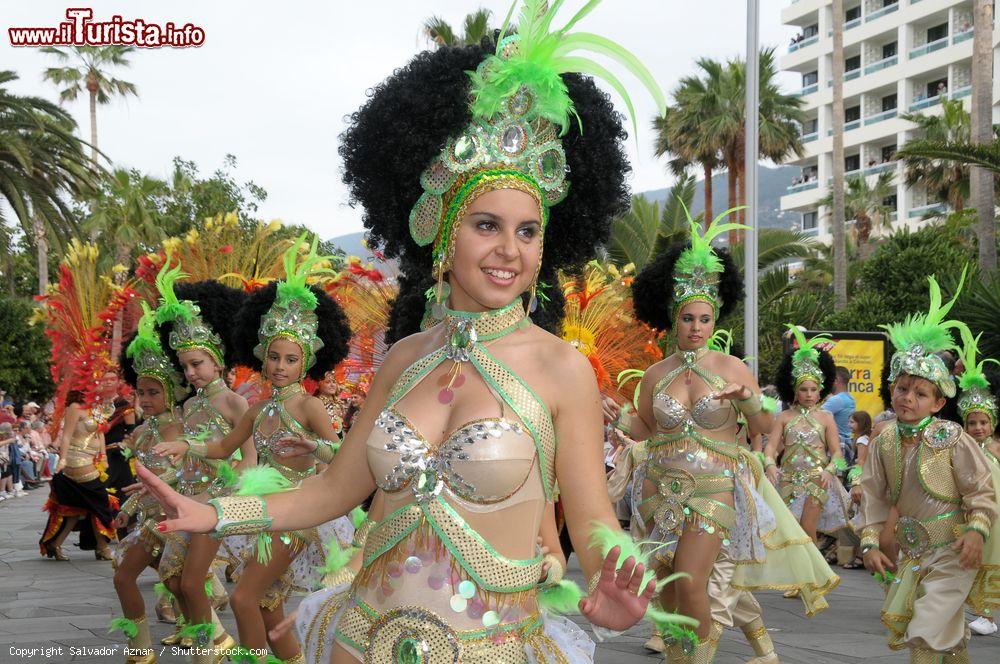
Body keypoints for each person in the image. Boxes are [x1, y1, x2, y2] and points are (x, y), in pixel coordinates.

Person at [139, 4, 678, 662]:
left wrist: (610, 574)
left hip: (493, 645)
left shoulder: (560, 367)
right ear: (443, 235)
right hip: (364, 638)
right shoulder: (404, 358)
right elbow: (334, 491)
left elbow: (592, 522)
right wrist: (217, 515)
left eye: (528, 230)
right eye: (487, 224)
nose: (510, 248)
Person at [628, 223, 839, 662]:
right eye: (688, 318)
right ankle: (680, 656)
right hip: (659, 491)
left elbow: (763, 423)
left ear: (715, 319)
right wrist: (613, 418)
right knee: (666, 587)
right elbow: (646, 430)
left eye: (705, 319)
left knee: (691, 581)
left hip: (713, 489)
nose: (696, 328)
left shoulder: (732, 367)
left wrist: (747, 399)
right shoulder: (655, 374)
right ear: (673, 317)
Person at [154, 240, 356, 663]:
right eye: (275, 358)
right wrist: (184, 444)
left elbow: (343, 458)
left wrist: (311, 445)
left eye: (291, 359)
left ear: (306, 364)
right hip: (263, 509)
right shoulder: (260, 408)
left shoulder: (309, 405)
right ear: (263, 359)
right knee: (265, 604)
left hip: (298, 514)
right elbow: (224, 446)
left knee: (245, 598)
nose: (281, 366)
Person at [860, 271, 999, 662]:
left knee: (923, 632)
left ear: (938, 403)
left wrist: (976, 530)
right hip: (913, 554)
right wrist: (870, 541)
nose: (908, 398)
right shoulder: (884, 438)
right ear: (891, 390)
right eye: (902, 389)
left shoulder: (952, 437)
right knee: (947, 637)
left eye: (920, 393)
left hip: (956, 549)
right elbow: (872, 494)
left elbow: (981, 489)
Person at [148, 269, 253, 658]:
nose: (191, 373)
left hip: (215, 504)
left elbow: (249, 460)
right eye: (185, 366)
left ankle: (213, 647)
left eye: (197, 364)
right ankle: (213, 640)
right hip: (186, 499)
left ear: (216, 362)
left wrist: (217, 498)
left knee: (191, 584)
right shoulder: (189, 405)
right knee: (174, 581)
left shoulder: (234, 402)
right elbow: (184, 455)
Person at [107, 305, 188, 664]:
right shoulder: (140, 434)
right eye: (141, 392)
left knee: (180, 586)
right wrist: (127, 511)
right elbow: (143, 483)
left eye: (154, 392)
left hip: (177, 523)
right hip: (150, 524)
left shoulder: (183, 431)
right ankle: (140, 651)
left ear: (170, 392)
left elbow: (197, 477)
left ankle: (210, 639)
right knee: (124, 578)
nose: (146, 399)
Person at [766, 327, 853, 542]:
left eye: (813, 389)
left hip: (816, 480)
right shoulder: (784, 417)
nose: (809, 394)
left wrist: (830, 471)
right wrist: (769, 463)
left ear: (820, 390)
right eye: (804, 389)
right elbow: (771, 446)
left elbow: (837, 453)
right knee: (789, 531)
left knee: (807, 529)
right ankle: (793, 574)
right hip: (787, 479)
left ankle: (814, 575)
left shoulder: (826, 418)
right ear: (795, 390)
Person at [38, 371, 120, 561]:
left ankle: (55, 545)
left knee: (77, 509)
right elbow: (66, 435)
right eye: (96, 382)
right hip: (77, 462)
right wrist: (63, 460)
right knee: (100, 504)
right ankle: (102, 547)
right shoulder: (75, 407)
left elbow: (99, 433)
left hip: (93, 461)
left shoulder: (97, 407)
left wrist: (103, 456)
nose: (101, 385)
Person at [954, 327, 1000, 637]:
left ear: (992, 423)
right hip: (970, 509)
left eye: (983, 422)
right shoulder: (961, 446)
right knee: (971, 558)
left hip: (995, 511)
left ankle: (987, 613)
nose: (978, 427)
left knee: (993, 558)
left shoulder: (997, 446)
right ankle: (973, 611)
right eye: (972, 423)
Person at [822, 366, 857, 463]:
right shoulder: (850, 398)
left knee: (835, 477)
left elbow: (815, 416)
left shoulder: (836, 399)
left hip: (836, 445)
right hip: (846, 444)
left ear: (836, 380)